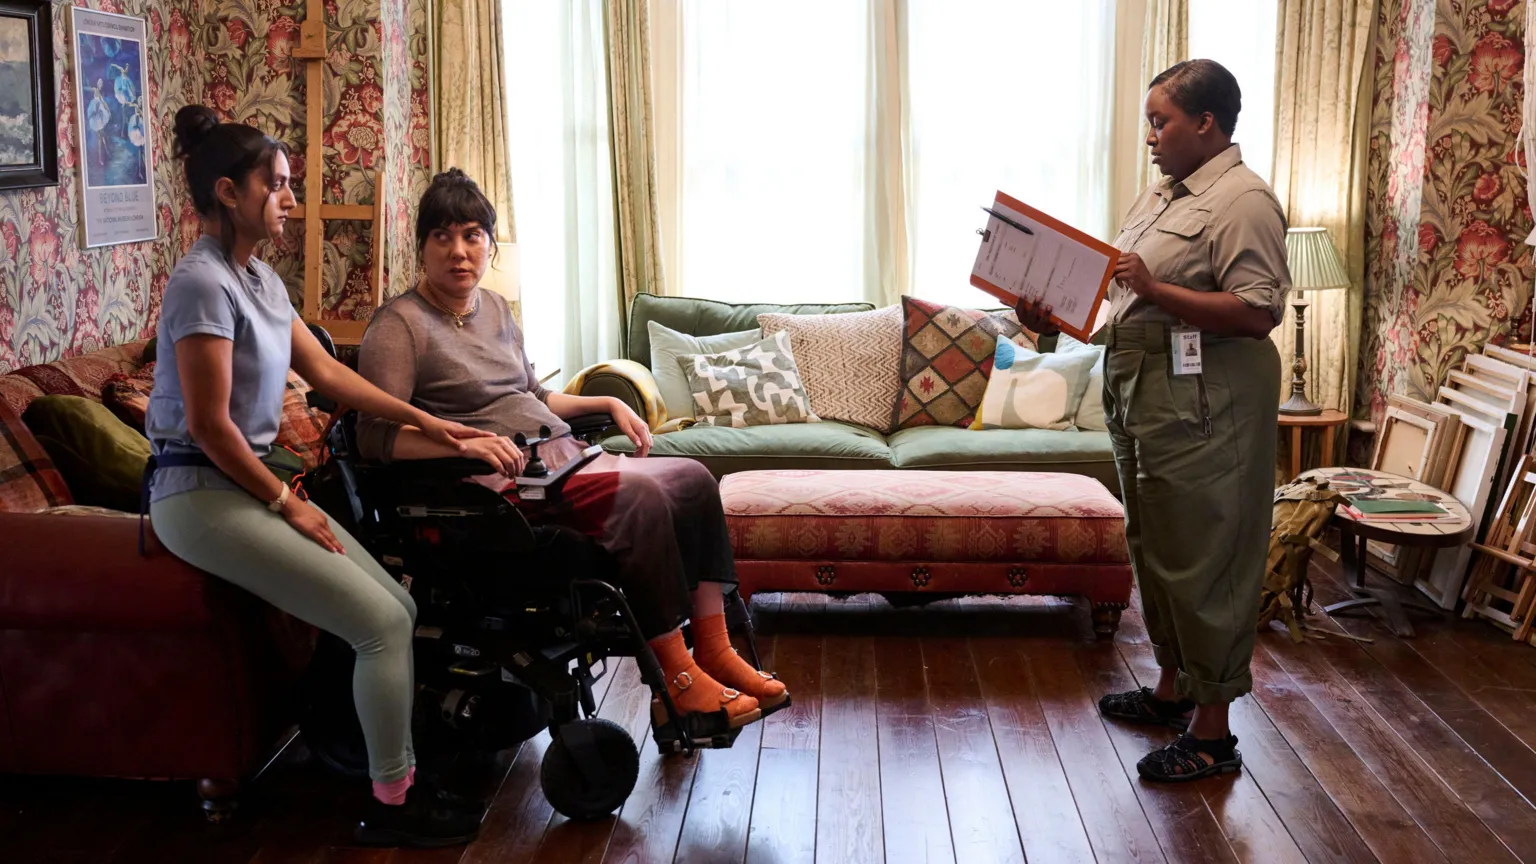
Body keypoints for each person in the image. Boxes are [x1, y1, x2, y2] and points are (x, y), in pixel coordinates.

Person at [148, 105, 496, 847]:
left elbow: (331, 374)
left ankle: (395, 772)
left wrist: (431, 423)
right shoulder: (201, 284)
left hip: (245, 486)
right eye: (276, 185)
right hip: (199, 494)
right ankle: (391, 803)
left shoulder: (260, 280)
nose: (290, 199)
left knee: (399, 606)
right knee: (379, 625)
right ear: (228, 193)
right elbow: (208, 425)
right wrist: (286, 501)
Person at [354, 169, 788, 736]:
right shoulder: (400, 325)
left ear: (488, 243)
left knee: (694, 481)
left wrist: (607, 401)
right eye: (442, 237)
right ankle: (678, 679)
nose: (458, 251)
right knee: (640, 497)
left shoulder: (495, 308)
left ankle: (715, 649)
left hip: (559, 457)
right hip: (498, 489)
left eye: (471, 235)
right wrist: (465, 442)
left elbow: (533, 396)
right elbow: (375, 436)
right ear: (422, 247)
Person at [1017, 59, 1288, 781]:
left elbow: (1258, 311)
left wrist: (1157, 287)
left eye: (1159, 121)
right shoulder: (1161, 195)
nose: (1150, 137)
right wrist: (1048, 313)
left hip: (1207, 402)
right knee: (1157, 545)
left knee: (1207, 556)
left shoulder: (1244, 200)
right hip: (1143, 388)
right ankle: (1173, 690)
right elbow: (1124, 300)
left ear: (1206, 122)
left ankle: (1213, 735)